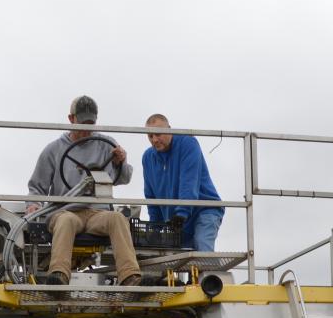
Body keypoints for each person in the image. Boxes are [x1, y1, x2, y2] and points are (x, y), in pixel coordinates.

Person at [26, 95, 141, 285]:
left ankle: (129, 275)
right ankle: (59, 275)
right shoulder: (54, 150)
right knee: (66, 221)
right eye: (82, 124)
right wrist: (33, 205)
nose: (87, 130)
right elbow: (37, 186)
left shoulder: (106, 145)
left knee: (118, 218)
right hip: (66, 210)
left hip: (98, 213)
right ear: (71, 119)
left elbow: (124, 178)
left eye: (91, 124)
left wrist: (120, 162)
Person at [142, 113, 223, 252]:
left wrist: (181, 214)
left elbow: (189, 182)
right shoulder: (148, 158)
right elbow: (151, 197)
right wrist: (155, 228)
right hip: (176, 220)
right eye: (150, 136)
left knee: (201, 247)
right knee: (171, 259)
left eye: (158, 134)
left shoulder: (187, 143)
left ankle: (209, 273)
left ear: (170, 129)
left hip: (203, 209)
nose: (154, 139)